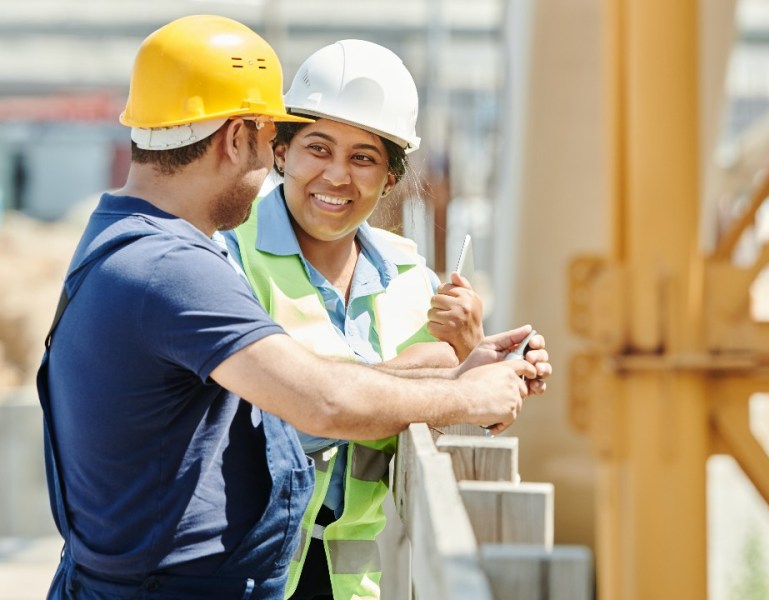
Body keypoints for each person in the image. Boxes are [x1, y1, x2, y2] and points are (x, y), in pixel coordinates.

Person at [36, 15, 550, 600]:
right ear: (238, 138)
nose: (271, 166)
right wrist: (465, 395)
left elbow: (308, 391)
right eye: (274, 141)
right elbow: (319, 402)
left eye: (363, 158)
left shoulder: (133, 243)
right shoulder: (176, 268)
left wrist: (459, 368)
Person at [224, 39, 492, 600]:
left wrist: (474, 353)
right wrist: (420, 370)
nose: (337, 175)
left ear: (390, 177)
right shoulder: (229, 258)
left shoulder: (413, 280)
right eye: (318, 148)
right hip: (239, 576)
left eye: (364, 158)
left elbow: (455, 419)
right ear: (281, 152)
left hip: (350, 585)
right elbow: (269, 415)